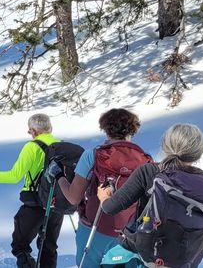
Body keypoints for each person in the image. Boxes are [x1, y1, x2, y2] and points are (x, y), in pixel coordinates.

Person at [97, 124, 203, 268]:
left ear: (165, 146)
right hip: (183, 262)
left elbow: (110, 207)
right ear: (200, 152)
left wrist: (104, 197)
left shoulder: (149, 172)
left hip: (145, 255)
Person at [57, 108, 150, 268]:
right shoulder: (145, 160)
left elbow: (74, 197)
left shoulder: (92, 155)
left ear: (106, 129)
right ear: (133, 130)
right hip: (130, 232)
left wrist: (59, 177)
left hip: (95, 227)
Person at [0, 113, 63, 268]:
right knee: (48, 247)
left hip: (35, 203)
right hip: (57, 203)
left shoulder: (32, 147)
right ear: (50, 128)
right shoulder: (62, 146)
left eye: (30, 131)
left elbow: (14, 176)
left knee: (20, 245)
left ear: (34, 131)